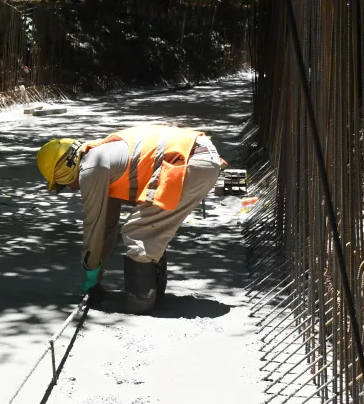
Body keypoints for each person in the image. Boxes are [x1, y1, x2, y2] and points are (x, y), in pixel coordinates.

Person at [36, 123, 225, 313]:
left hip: (192, 162)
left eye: (64, 184)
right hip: (199, 157)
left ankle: (142, 304)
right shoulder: (101, 155)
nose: (71, 189)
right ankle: (154, 295)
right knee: (149, 228)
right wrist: (97, 276)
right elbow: (106, 227)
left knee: (137, 232)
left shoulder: (92, 168)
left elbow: (93, 227)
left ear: (66, 171)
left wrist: (91, 277)